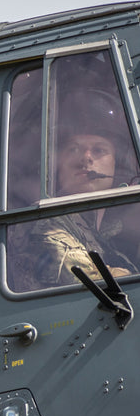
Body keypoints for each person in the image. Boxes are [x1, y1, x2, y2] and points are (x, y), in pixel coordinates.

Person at [12, 90, 138, 291]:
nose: (86, 158)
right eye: (73, 149)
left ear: (118, 165)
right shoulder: (42, 221)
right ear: (57, 166)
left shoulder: (108, 237)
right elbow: (89, 281)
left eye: (98, 150)